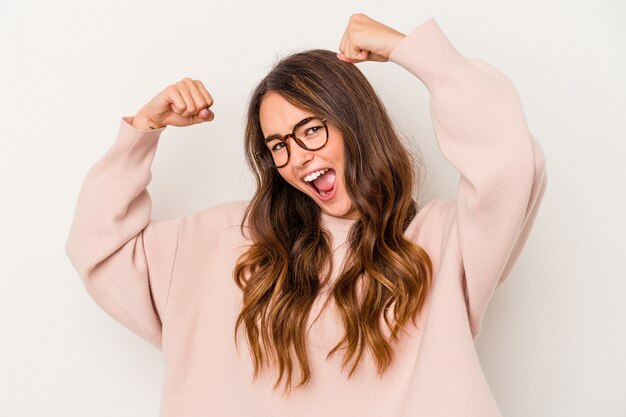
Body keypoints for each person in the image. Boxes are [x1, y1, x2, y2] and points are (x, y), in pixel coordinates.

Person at [65, 13, 547, 417]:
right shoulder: (221, 241)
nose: (296, 157)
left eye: (310, 130)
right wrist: (144, 129)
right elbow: (98, 250)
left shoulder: (443, 242)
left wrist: (410, 51)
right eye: (278, 145)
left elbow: (510, 162)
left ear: (354, 123)